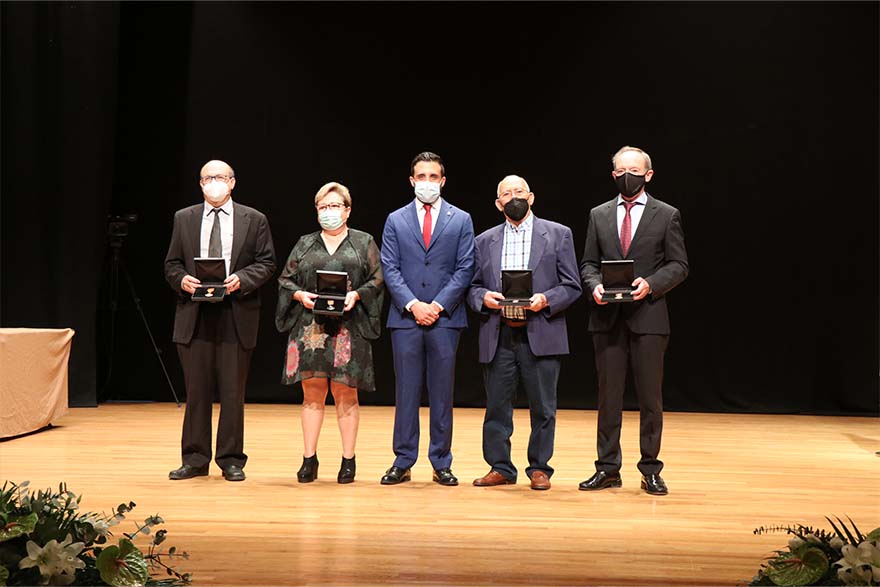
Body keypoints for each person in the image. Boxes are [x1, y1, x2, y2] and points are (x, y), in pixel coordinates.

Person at [579, 146, 688, 495]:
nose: (629, 175)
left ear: (648, 174)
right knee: (607, 397)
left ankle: (650, 468)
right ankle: (608, 468)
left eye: (635, 170)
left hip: (648, 317)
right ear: (613, 175)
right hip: (607, 317)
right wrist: (594, 286)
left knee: (649, 398)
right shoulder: (598, 214)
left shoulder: (667, 214)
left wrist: (651, 284)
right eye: (622, 170)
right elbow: (588, 264)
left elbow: (679, 265)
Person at [164, 159, 276, 482]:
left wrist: (241, 278)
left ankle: (230, 458)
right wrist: (182, 279)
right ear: (200, 184)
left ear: (232, 182)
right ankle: (195, 458)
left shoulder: (254, 220)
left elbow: (267, 262)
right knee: (196, 391)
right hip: (195, 313)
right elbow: (171, 263)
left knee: (231, 391)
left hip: (235, 312)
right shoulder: (184, 218)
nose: (213, 182)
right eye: (207, 178)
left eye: (220, 177)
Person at [467, 175, 582, 491]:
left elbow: (572, 285)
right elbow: (473, 288)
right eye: (506, 193)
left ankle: (540, 468)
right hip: (499, 332)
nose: (513, 197)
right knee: (496, 407)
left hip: (540, 330)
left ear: (531, 197)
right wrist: (483, 299)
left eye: (519, 191)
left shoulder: (558, 235)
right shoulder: (484, 240)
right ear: (498, 203)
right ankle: (500, 466)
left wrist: (545, 299)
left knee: (543, 407)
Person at [275, 182, 384, 484]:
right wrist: (299, 296)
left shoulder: (363, 242)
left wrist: (357, 295)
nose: (329, 212)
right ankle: (309, 458)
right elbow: (285, 280)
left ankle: (348, 460)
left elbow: (377, 280)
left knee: (346, 394)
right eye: (323, 207)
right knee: (312, 394)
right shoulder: (305, 243)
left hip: (349, 329)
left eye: (335, 206)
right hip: (311, 327)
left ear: (348, 210)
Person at [379, 151, 475, 486]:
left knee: (441, 392)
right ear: (411, 181)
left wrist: (436, 305)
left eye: (433, 177)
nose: (427, 183)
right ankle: (403, 460)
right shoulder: (396, 219)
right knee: (406, 391)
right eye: (422, 177)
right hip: (405, 319)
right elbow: (389, 267)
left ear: (443, 181)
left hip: (445, 318)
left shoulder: (461, 219)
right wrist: (412, 304)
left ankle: (441, 461)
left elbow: (466, 268)